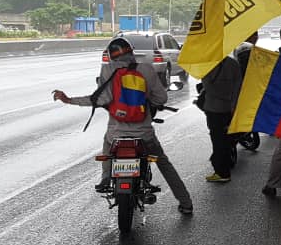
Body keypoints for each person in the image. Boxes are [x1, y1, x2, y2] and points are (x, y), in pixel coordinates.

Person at [52, 36, 194, 214]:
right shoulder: (146, 69)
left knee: (107, 144)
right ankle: (185, 202)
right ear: (132, 53)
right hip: (144, 135)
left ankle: (105, 178)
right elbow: (161, 98)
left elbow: (100, 99)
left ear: (111, 57)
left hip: (116, 135)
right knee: (163, 163)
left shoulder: (108, 69)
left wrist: (69, 100)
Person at [200, 53, 242, 183]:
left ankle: (221, 172)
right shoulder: (233, 64)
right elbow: (238, 86)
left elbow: (207, 87)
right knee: (227, 137)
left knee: (217, 140)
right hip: (230, 108)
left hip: (214, 108)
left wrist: (223, 97)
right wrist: (232, 102)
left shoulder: (208, 64)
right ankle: (226, 164)